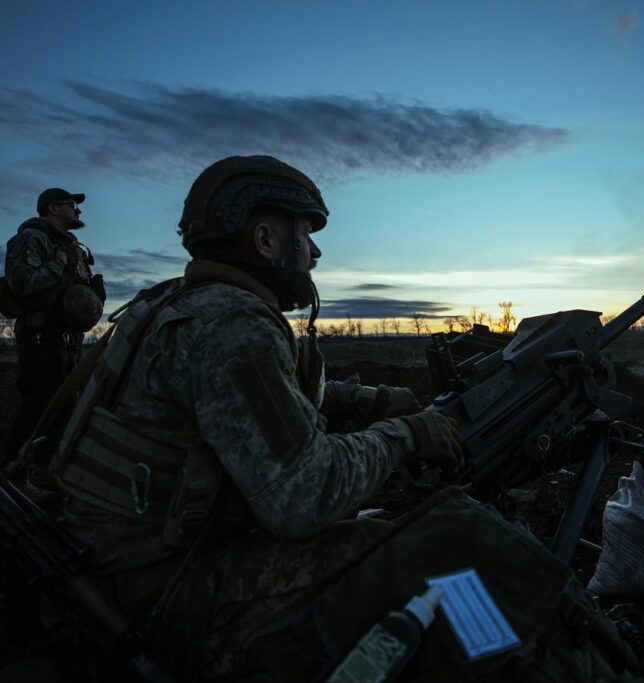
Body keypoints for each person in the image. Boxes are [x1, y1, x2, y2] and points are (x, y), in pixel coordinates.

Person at [51, 155, 464, 677]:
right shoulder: (232, 323)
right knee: (404, 558)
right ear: (266, 240)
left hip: (110, 558)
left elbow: (246, 400)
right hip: (153, 588)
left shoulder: (180, 303)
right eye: (305, 235)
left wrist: (366, 399)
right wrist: (405, 434)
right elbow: (306, 494)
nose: (315, 252)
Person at [1, 188, 104, 469]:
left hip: (67, 339)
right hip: (39, 335)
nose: (78, 210)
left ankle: (44, 475)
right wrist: (58, 263)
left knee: (66, 406)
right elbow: (21, 284)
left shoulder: (73, 248)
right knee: (39, 404)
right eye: (72, 205)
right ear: (52, 208)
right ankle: (12, 478)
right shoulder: (30, 239)